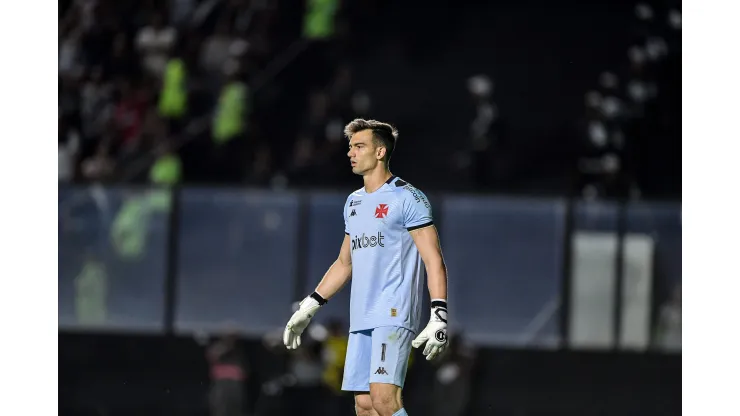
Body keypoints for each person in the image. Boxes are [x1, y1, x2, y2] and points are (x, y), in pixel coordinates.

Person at [282, 119, 450, 416]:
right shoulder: (354, 202)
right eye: (350, 147)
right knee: (365, 405)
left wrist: (439, 314)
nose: (351, 153)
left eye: (359, 146)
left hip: (393, 312)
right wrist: (309, 305)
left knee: (385, 400)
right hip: (361, 316)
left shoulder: (407, 197)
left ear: (381, 151)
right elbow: (345, 262)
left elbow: (433, 258)